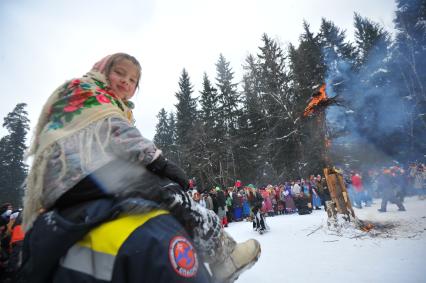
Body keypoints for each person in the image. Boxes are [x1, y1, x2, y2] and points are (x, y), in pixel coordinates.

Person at [20, 53, 260, 283]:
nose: (126, 81)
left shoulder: (112, 104)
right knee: (168, 192)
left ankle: (219, 251)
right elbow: (116, 131)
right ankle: (222, 255)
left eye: (133, 79)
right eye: (120, 72)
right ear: (103, 71)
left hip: (83, 175)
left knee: (163, 190)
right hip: (76, 174)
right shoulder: (86, 90)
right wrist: (158, 161)